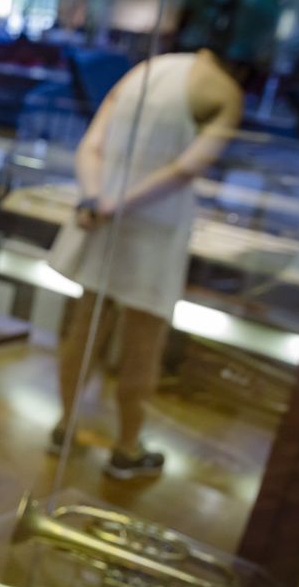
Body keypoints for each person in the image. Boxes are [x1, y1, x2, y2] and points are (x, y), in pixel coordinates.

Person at [47, 46, 243, 480]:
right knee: (143, 338)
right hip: (154, 222)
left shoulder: (145, 69)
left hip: (104, 212)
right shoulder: (224, 90)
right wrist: (117, 205)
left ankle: (66, 425)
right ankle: (127, 446)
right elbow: (185, 169)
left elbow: (92, 145)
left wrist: (97, 198)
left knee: (86, 322)